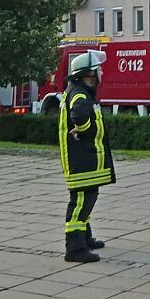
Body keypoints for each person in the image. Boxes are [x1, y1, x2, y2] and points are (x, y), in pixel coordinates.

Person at [58, 50, 114, 263]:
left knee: (88, 198)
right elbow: (79, 115)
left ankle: (85, 238)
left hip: (84, 159)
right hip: (81, 159)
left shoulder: (79, 91)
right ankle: (74, 248)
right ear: (88, 74)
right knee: (81, 201)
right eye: (98, 69)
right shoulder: (80, 94)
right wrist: (83, 129)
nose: (101, 72)